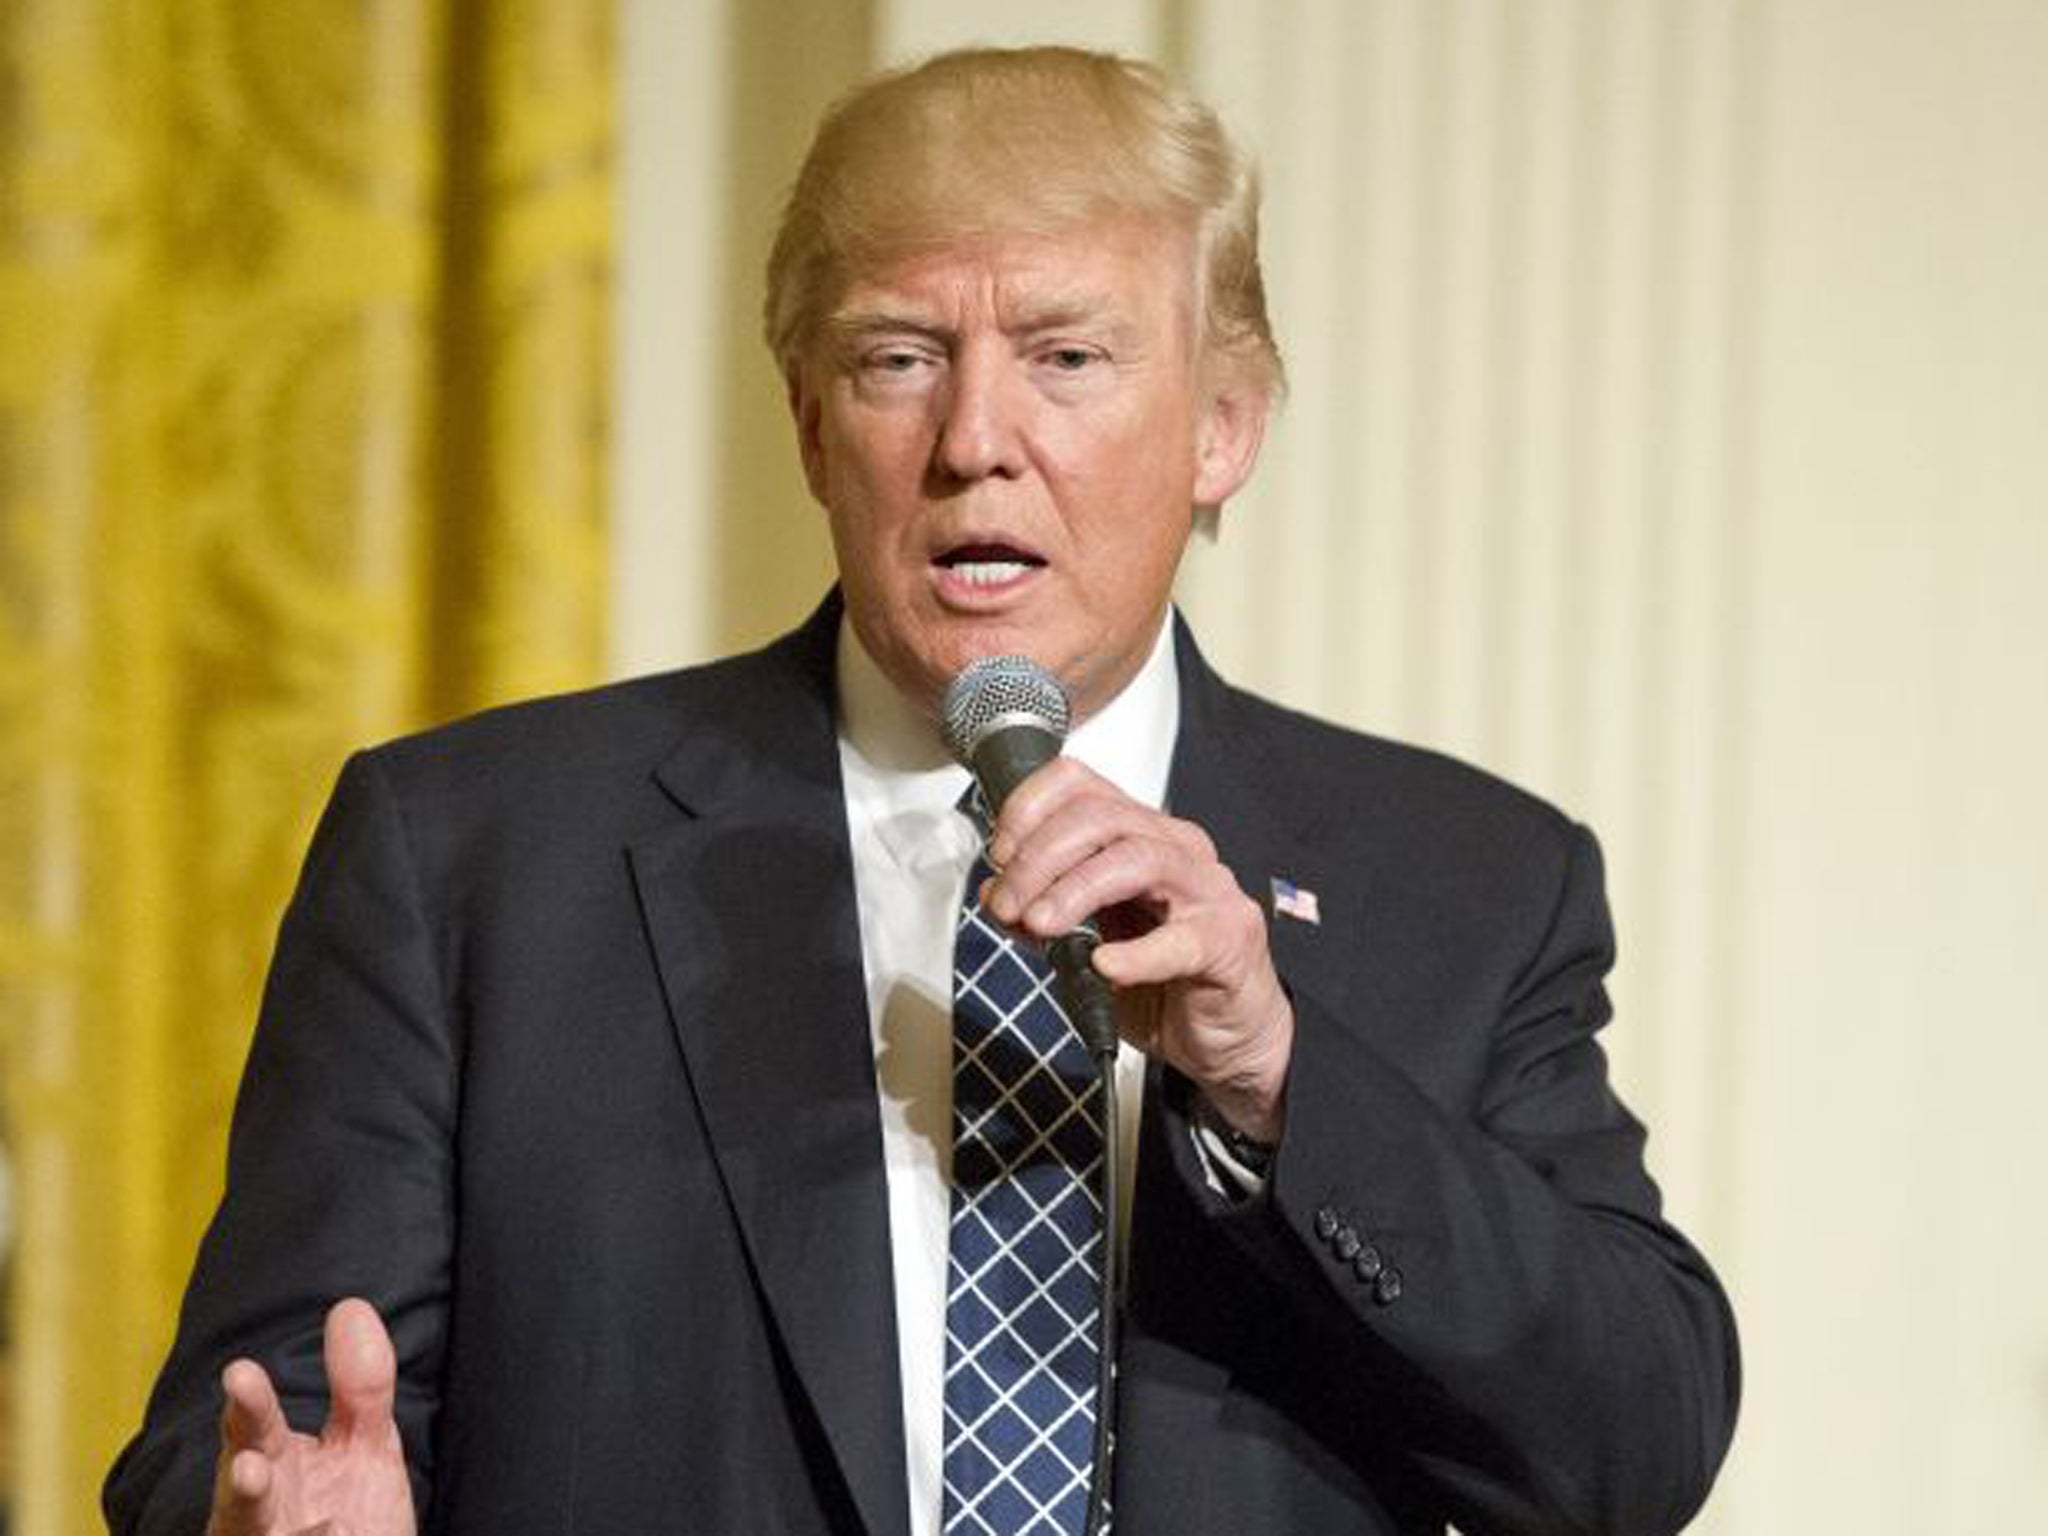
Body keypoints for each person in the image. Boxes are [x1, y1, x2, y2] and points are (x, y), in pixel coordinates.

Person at [106, 45, 1738, 1536]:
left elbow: (1633, 1446)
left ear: (1223, 428)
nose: (974, 439)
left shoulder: (1471, 883)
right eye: (898, 357)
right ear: (813, 428)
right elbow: (247, 1434)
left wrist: (1278, 1080)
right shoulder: (474, 854)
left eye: (1068, 356)